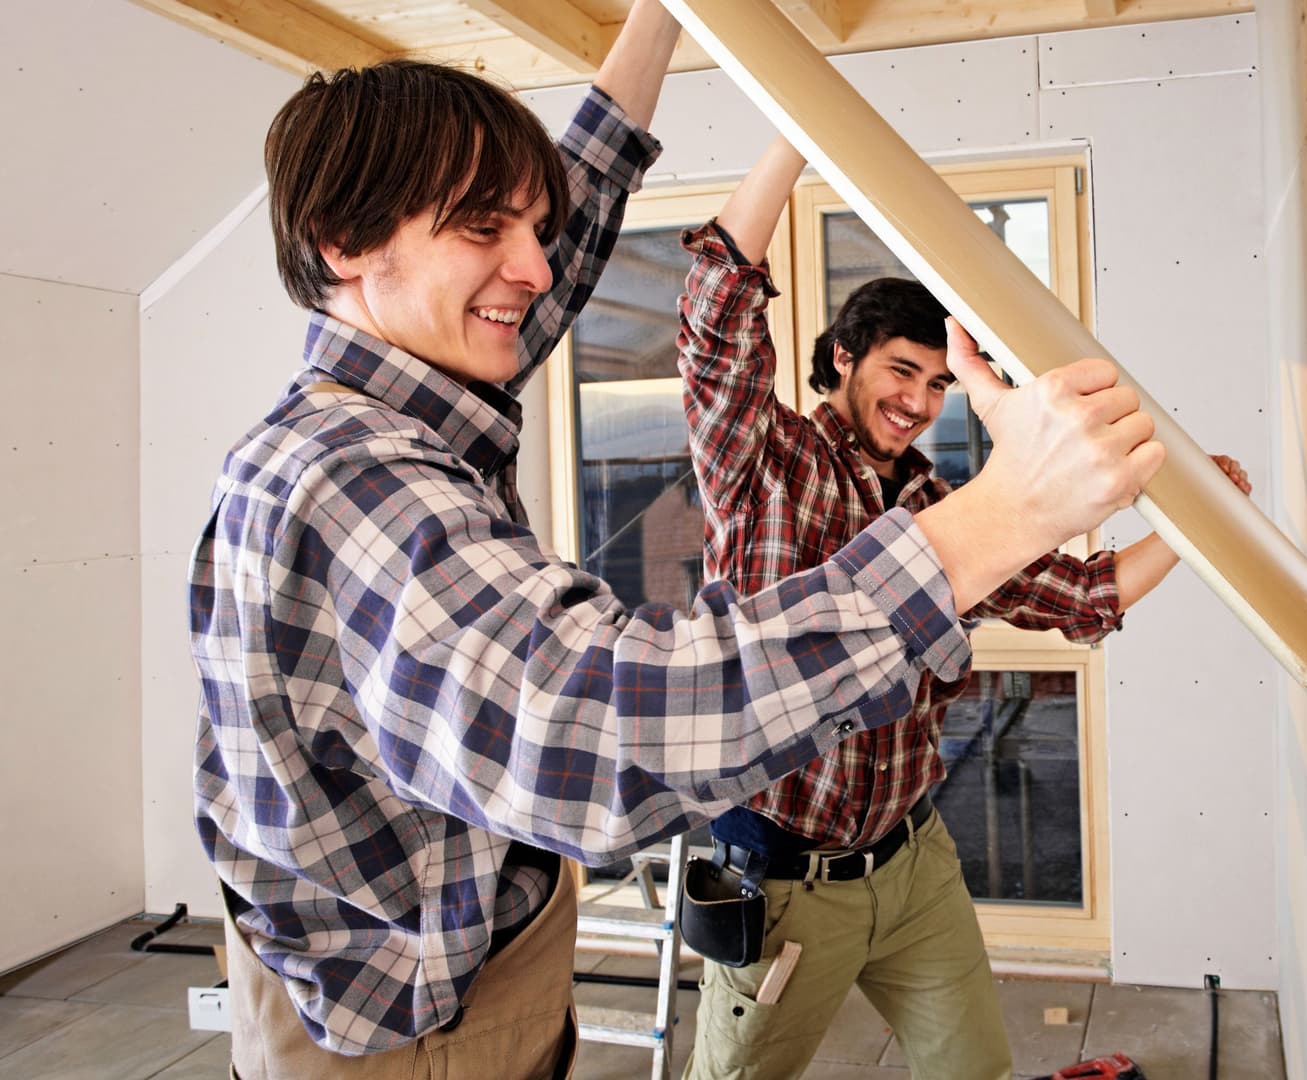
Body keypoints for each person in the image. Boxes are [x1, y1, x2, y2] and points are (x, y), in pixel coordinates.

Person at [188, 4, 1166, 1075]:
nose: (531, 265)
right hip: (412, 1022)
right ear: (348, 245)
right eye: (484, 228)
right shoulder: (355, 479)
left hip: (825, 875)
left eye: (532, 225)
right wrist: (1006, 509)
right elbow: (606, 729)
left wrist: (661, 12)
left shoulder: (416, 397)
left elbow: (571, 218)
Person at [675, 138, 1252, 1080]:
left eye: (940, 384)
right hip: (787, 882)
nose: (920, 401)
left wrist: (1197, 523)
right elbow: (716, 321)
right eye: (902, 371)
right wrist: (795, 135)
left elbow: (1082, 597)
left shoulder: (946, 512)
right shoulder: (766, 466)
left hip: (913, 866)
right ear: (840, 360)